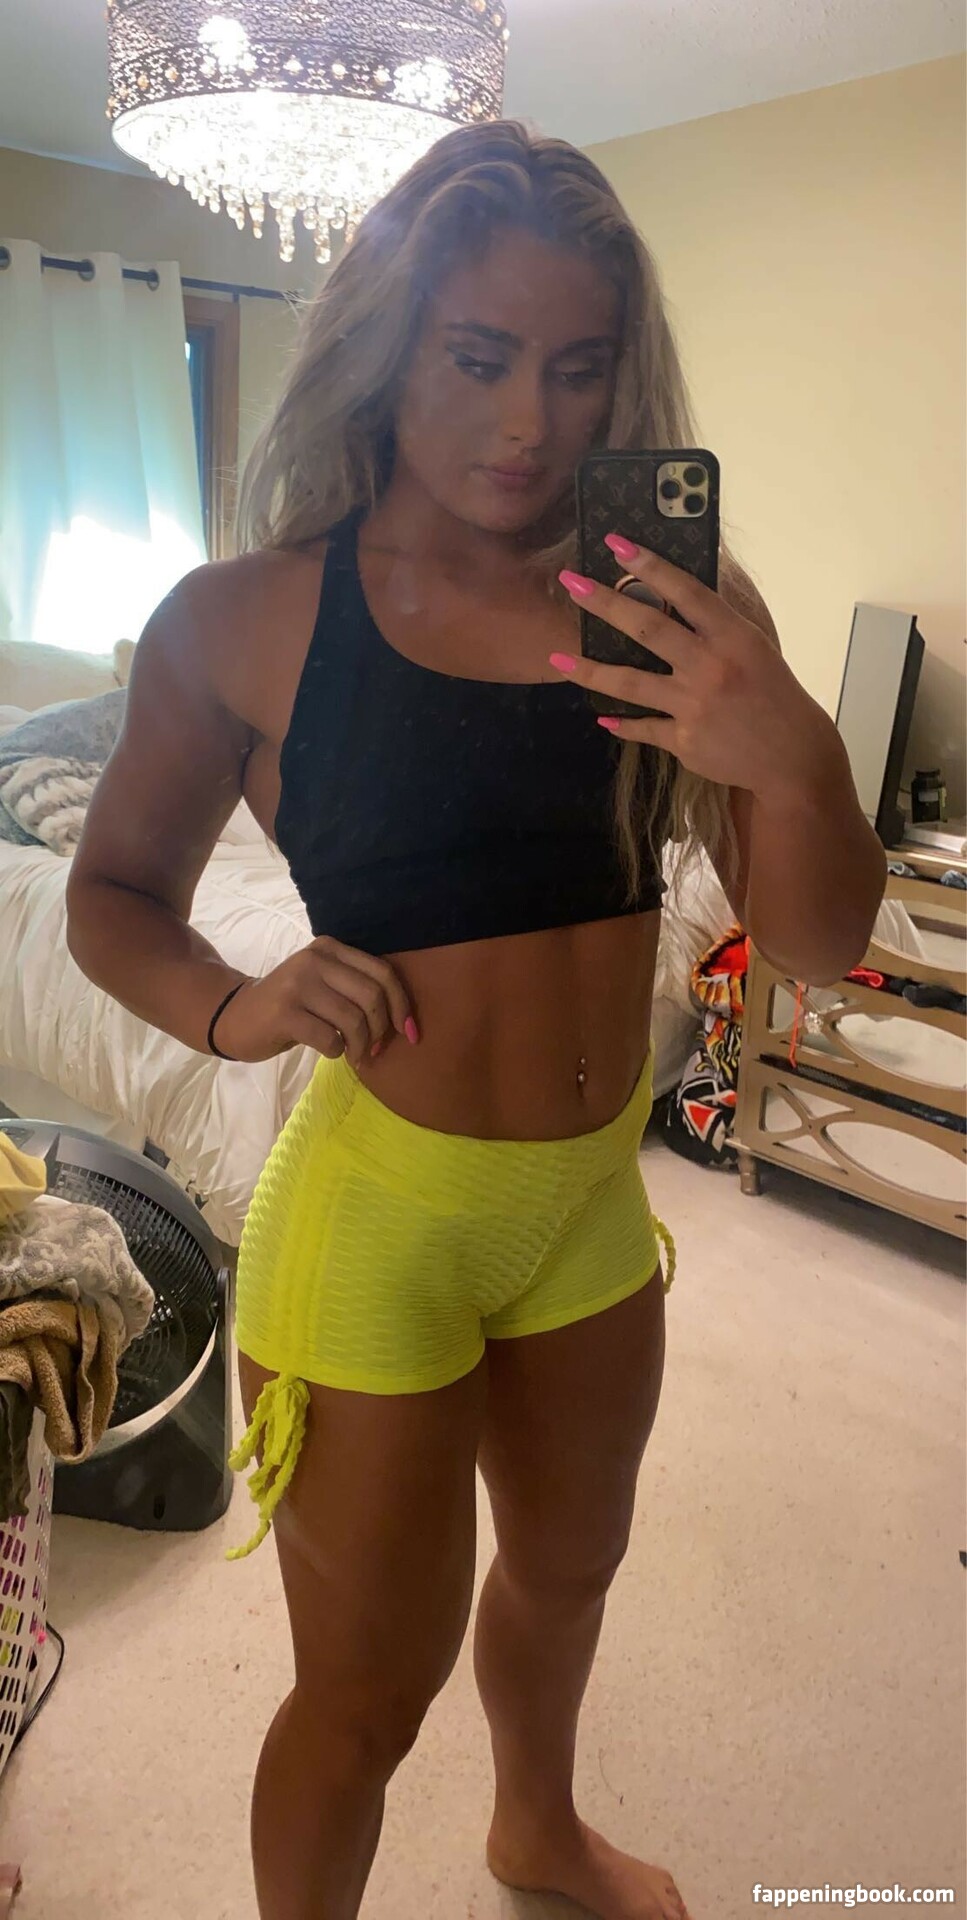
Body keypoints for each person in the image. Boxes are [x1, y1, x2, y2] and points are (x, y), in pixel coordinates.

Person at [66, 122, 885, 1920]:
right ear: (385, 347)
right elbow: (111, 893)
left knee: (572, 1574)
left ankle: (538, 1831)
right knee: (367, 1691)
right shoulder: (244, 621)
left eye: (579, 368)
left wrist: (793, 752)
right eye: (480, 356)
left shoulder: (677, 615)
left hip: (587, 1202)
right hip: (382, 1219)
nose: (530, 420)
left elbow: (821, 947)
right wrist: (233, 1005)